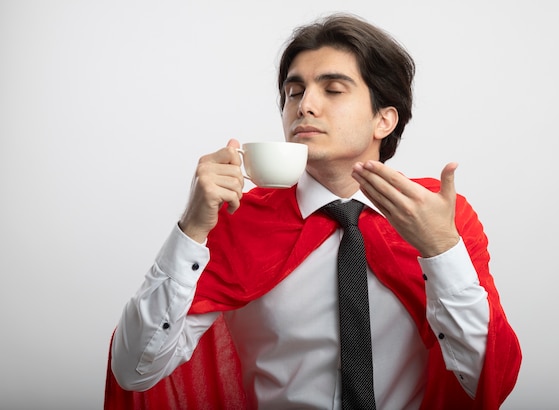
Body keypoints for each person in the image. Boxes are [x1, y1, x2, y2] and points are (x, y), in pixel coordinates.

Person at [105, 13, 521, 409]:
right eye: (294, 91)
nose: (304, 106)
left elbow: (487, 378)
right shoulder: (238, 220)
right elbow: (134, 371)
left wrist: (441, 249)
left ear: (384, 120)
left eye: (333, 89)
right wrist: (191, 229)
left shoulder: (439, 214)